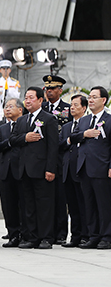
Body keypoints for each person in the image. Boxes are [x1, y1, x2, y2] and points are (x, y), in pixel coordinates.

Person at [9, 86, 58, 249]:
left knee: (44, 205)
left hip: (42, 169)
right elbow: (14, 139)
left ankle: (46, 237)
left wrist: (51, 169)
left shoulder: (49, 119)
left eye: (31, 98)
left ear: (40, 100)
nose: (27, 101)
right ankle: (31, 237)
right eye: (26, 97)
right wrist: (25, 137)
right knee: (28, 205)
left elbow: (53, 147)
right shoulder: (22, 120)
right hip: (24, 169)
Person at [70, 86, 111, 249]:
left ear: (104, 100)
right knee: (89, 204)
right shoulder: (85, 121)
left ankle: (107, 236)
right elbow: (72, 137)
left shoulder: (109, 120)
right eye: (90, 97)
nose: (91, 99)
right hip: (84, 168)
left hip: (102, 168)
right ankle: (93, 235)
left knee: (104, 205)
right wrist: (84, 134)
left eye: (94, 97)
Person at [0, 97, 26, 248]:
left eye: (11, 106)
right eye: (6, 107)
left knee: (24, 203)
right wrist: (10, 142)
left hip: (21, 169)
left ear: (20, 109)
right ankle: (13, 234)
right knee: (8, 204)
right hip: (5, 170)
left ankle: (25, 234)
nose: (7, 109)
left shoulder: (26, 125)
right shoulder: (2, 128)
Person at [42, 74, 70, 244]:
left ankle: (60, 233)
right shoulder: (42, 107)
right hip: (43, 157)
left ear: (60, 90)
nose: (49, 91)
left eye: (52, 89)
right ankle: (48, 231)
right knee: (46, 197)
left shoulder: (67, 108)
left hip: (60, 156)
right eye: (47, 89)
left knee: (60, 197)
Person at [58, 94, 88, 247]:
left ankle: (85, 235)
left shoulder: (87, 124)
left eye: (76, 105)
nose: (72, 108)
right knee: (72, 206)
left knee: (84, 205)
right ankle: (75, 236)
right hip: (67, 170)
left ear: (84, 107)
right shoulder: (66, 127)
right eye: (71, 105)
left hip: (81, 169)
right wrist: (69, 140)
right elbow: (60, 145)